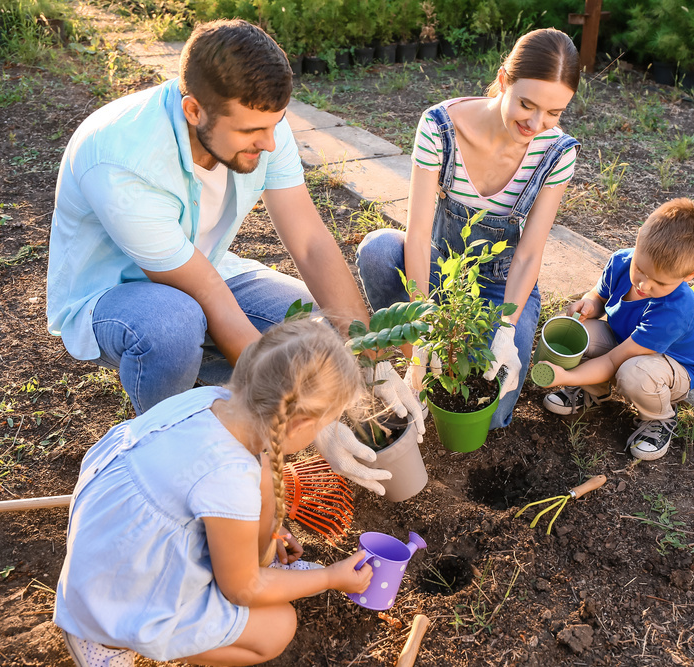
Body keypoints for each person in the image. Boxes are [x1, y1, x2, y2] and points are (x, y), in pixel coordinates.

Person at [46, 19, 422, 494]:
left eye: (276, 124)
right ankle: (177, 461)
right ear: (194, 110)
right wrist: (306, 422)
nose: (269, 143)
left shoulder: (262, 123)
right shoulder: (122, 158)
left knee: (313, 327)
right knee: (175, 325)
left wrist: (370, 357)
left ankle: (220, 381)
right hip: (112, 298)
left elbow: (310, 241)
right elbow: (208, 299)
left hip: (203, 267)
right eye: (252, 131)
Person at [54, 319, 374, 667]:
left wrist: (266, 532)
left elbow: (216, 486)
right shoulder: (229, 478)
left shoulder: (212, 401)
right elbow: (241, 589)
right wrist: (328, 578)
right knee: (278, 627)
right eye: (325, 423)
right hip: (116, 596)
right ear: (298, 425)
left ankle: (119, 620)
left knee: (265, 475)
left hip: (111, 546)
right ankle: (108, 638)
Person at [355, 28, 581, 429]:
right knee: (378, 250)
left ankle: (454, 362)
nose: (536, 123)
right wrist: (421, 325)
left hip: (500, 287)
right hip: (440, 270)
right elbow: (419, 234)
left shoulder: (556, 153)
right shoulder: (441, 128)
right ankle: (419, 370)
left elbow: (529, 253)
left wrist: (507, 330)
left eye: (554, 113)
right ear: (503, 80)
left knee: (490, 416)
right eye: (527, 104)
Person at [540, 198, 694, 461]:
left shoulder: (674, 311)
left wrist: (565, 376)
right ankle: (595, 391)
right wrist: (589, 304)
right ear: (639, 239)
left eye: (660, 282)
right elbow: (599, 298)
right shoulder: (622, 261)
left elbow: (613, 360)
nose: (644, 285)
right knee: (579, 332)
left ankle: (659, 417)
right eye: (640, 270)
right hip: (625, 345)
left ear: (690, 276)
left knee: (634, 374)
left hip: (670, 370)